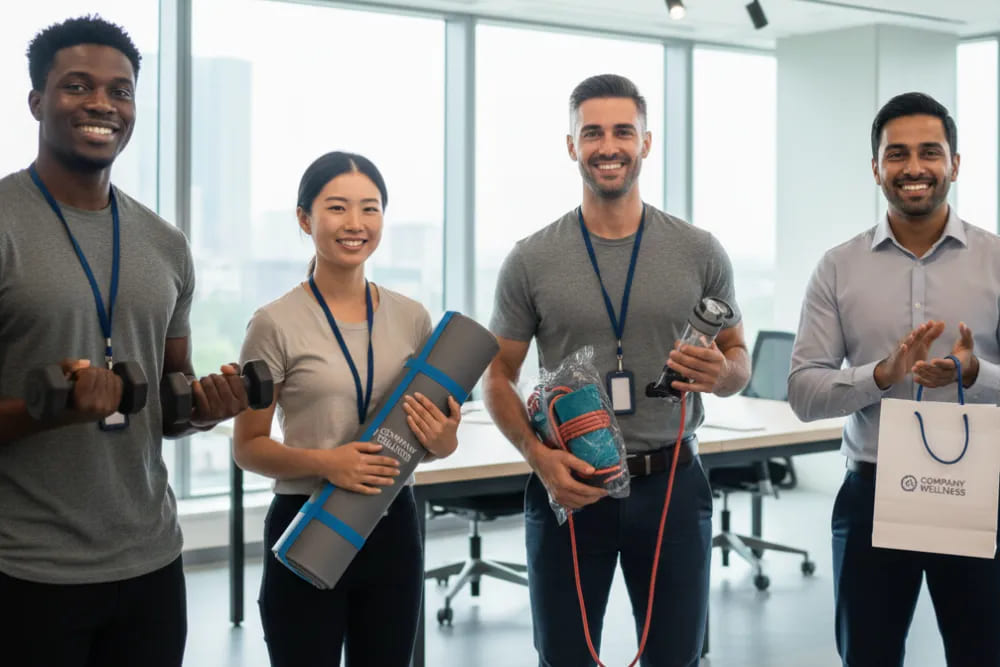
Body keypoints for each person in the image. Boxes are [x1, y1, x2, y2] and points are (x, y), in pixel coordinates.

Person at [0, 15, 249, 667]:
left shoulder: (166, 243)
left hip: (151, 564)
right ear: (36, 101)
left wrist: (204, 408)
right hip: (25, 568)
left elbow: (168, 406)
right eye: (77, 85)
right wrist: (45, 411)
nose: (102, 104)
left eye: (121, 90)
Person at [482, 73, 750, 667]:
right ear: (571, 145)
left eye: (623, 131)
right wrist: (537, 456)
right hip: (570, 483)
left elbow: (738, 358)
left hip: (673, 483)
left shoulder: (699, 250)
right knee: (566, 655)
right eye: (593, 132)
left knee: (675, 655)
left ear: (646, 143)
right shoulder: (531, 258)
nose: (609, 146)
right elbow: (496, 374)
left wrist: (722, 376)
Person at [788, 91, 1000, 666]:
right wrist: (879, 374)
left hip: (977, 491)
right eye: (897, 153)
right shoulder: (837, 268)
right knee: (869, 655)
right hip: (873, 495)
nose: (913, 167)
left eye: (930, 152)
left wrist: (976, 373)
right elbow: (803, 392)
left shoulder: (996, 261)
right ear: (876, 167)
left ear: (955, 163)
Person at [234, 151, 461, 667]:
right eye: (337, 208)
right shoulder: (274, 323)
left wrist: (443, 442)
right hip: (307, 520)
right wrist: (328, 462)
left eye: (370, 208)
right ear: (304, 218)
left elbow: (431, 439)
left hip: (392, 523)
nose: (355, 224)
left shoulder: (411, 317)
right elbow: (248, 447)